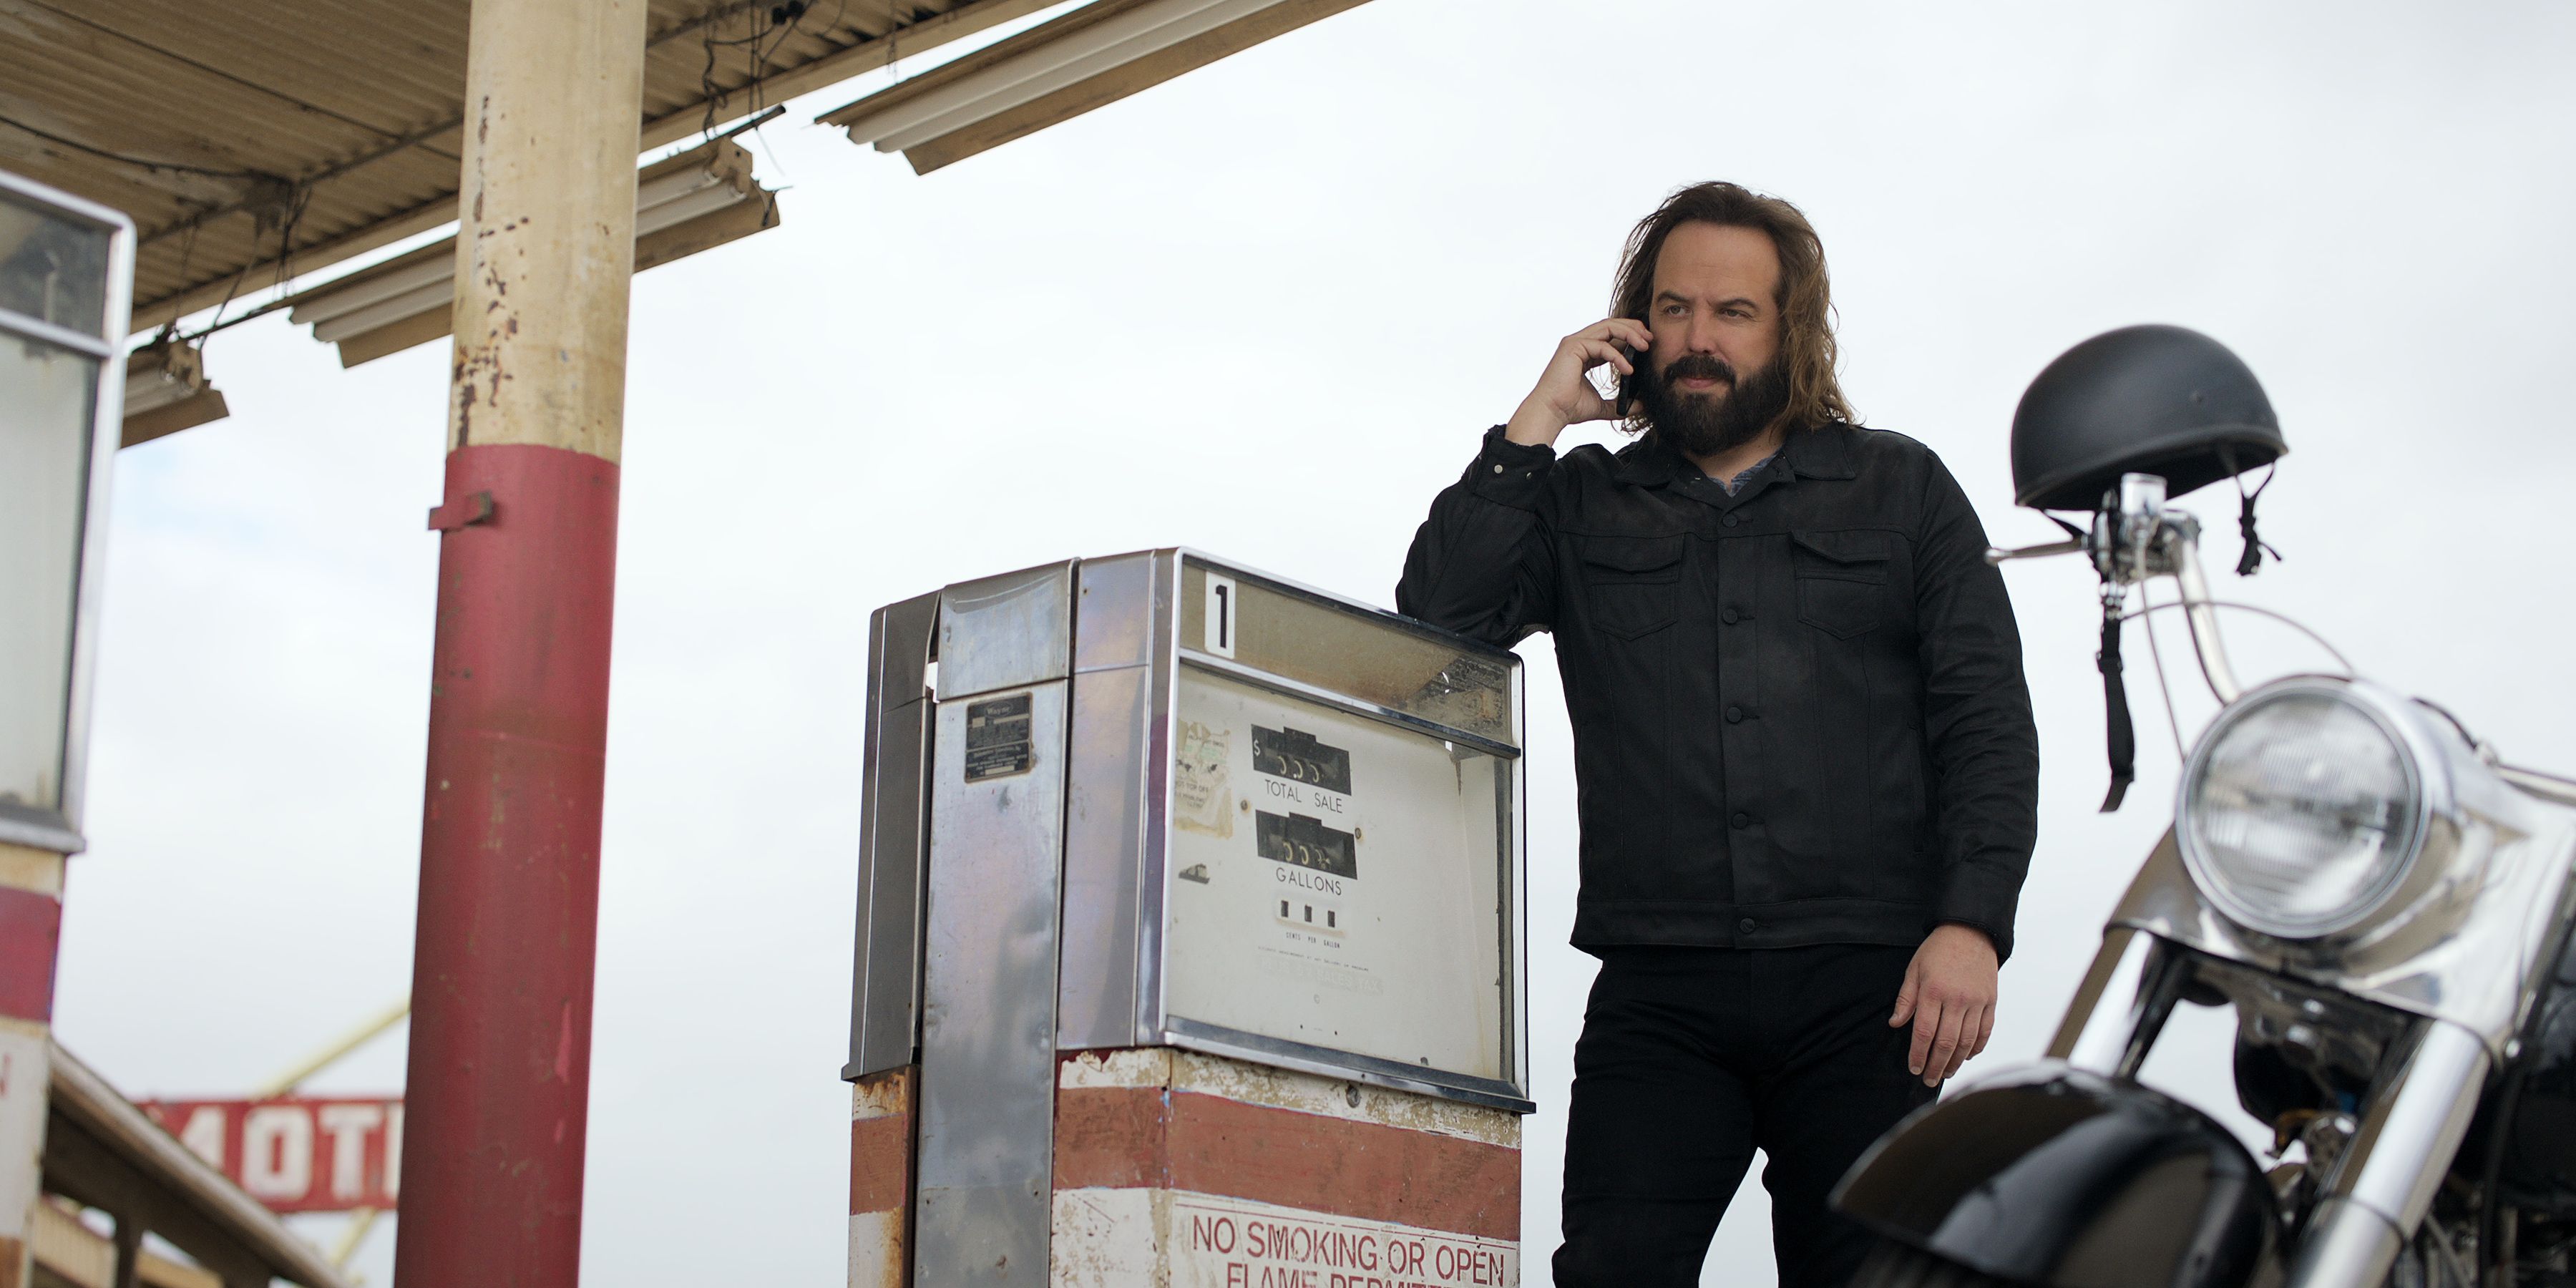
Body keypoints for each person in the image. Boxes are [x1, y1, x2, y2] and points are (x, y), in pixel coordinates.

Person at [1395, 182, 2040, 1288]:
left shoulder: (1903, 489)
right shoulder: (1578, 499)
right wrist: (1535, 421)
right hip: (1661, 988)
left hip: (1869, 990)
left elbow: (1984, 719)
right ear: (1638, 327)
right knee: (1611, 1269)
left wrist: (1972, 925)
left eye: (1734, 312)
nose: (1700, 339)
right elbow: (1437, 621)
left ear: (1792, 330)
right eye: (1676, 309)